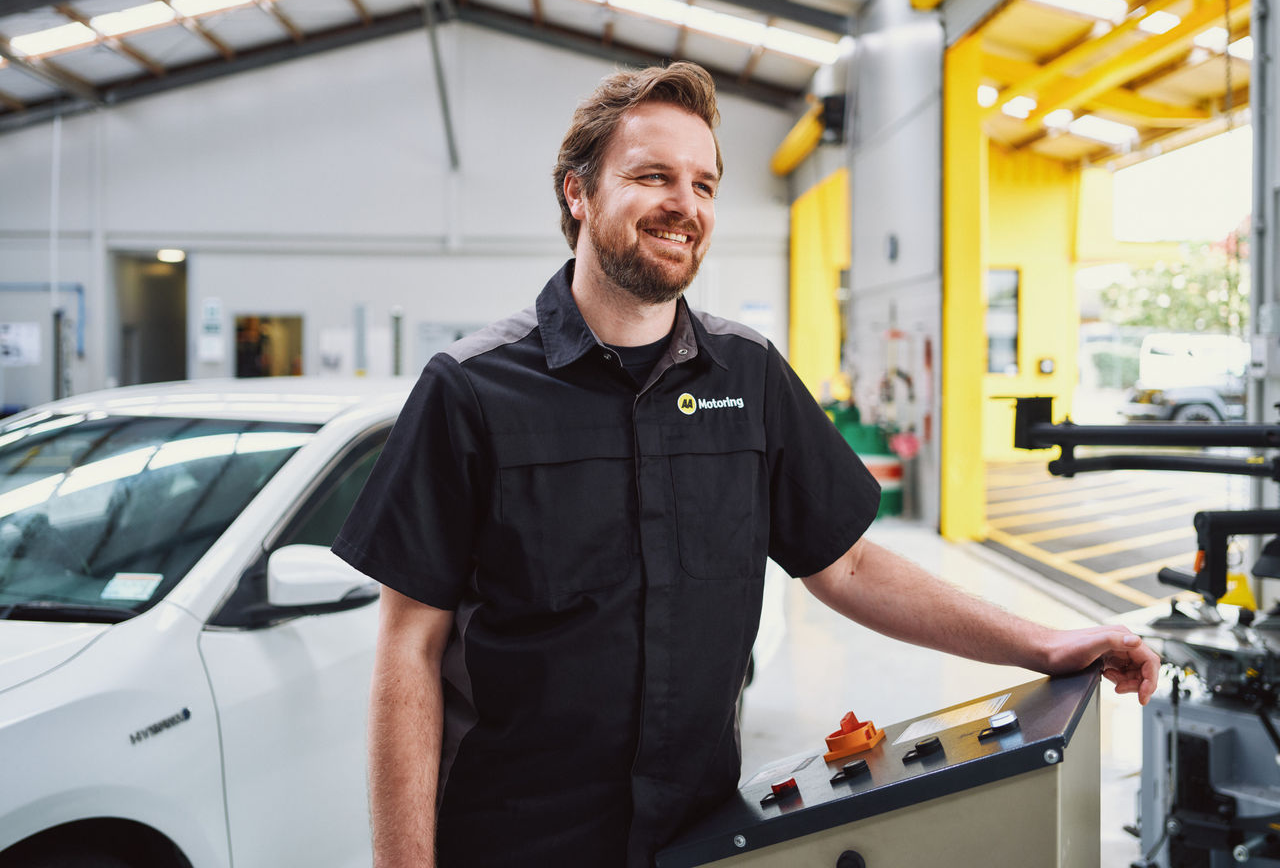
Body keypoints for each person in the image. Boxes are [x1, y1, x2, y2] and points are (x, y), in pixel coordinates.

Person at [332, 61, 1159, 868]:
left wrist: (1044, 644)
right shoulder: (471, 391)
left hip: (700, 836)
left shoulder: (749, 374)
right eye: (653, 175)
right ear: (576, 193)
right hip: (516, 841)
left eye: (703, 183)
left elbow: (851, 565)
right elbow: (408, 647)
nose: (683, 205)